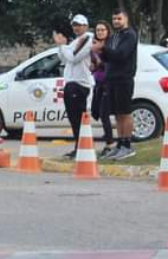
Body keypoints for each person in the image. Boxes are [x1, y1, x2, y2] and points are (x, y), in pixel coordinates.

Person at [98, 10, 139, 160]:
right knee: (117, 114)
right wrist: (100, 51)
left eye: (119, 18)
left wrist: (103, 48)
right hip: (111, 79)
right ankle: (120, 143)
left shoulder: (130, 35)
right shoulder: (114, 36)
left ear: (126, 19)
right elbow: (108, 57)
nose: (116, 21)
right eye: (114, 19)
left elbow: (121, 55)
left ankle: (128, 145)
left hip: (124, 78)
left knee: (125, 112)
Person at [55, 15, 94, 159]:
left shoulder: (87, 39)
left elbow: (74, 58)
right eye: (74, 25)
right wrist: (61, 46)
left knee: (79, 118)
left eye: (79, 25)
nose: (76, 28)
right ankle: (79, 146)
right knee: (73, 118)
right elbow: (64, 59)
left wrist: (63, 46)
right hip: (71, 83)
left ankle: (82, 147)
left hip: (80, 83)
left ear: (86, 26)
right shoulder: (76, 41)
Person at [88, 21, 114, 156]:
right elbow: (93, 64)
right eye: (98, 30)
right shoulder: (93, 47)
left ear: (108, 31)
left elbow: (110, 62)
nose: (100, 32)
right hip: (98, 83)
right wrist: (93, 66)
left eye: (103, 30)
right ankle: (109, 140)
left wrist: (99, 63)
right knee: (96, 112)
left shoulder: (110, 45)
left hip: (108, 84)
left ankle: (110, 144)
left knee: (104, 114)